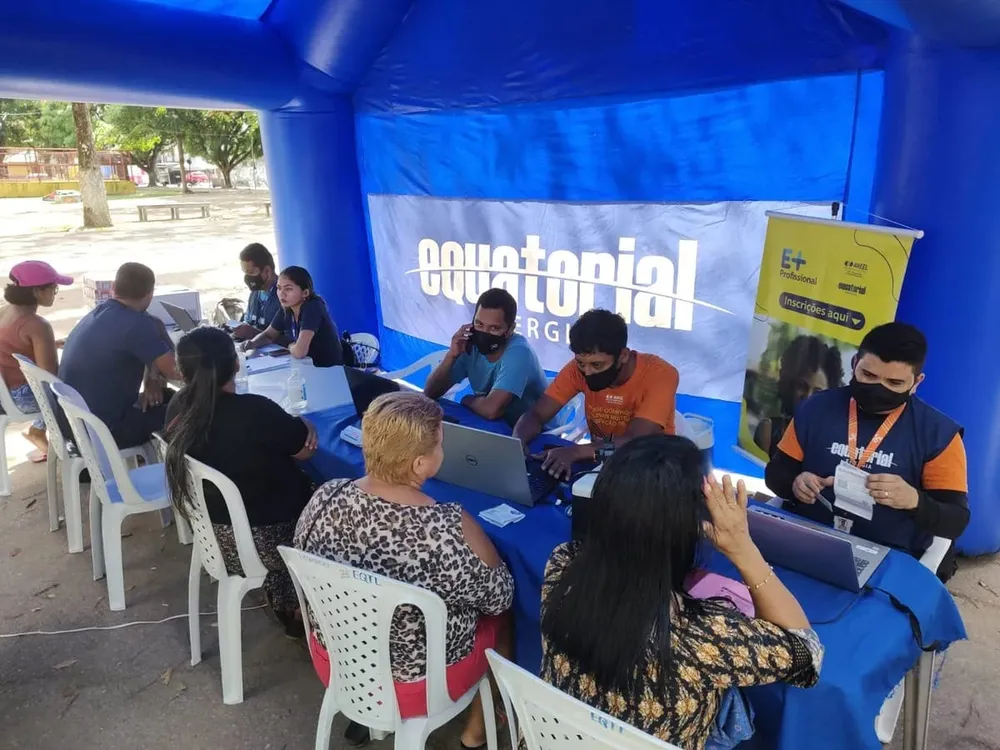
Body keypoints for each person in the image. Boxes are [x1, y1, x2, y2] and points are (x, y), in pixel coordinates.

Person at [540, 435, 823, 749]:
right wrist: (743, 548)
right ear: (692, 525)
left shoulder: (561, 566)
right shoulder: (703, 637)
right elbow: (808, 654)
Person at [295, 391, 514, 749]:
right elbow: (499, 597)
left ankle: (366, 719)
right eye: (440, 445)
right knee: (505, 617)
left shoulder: (327, 496)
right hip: (418, 685)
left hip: (336, 659)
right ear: (419, 465)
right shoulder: (448, 529)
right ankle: (476, 732)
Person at [764, 322, 969, 573]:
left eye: (894, 382)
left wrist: (914, 500)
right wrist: (795, 482)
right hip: (810, 538)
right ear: (854, 364)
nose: (879, 388)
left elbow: (955, 521)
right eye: (868, 376)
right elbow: (776, 475)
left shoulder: (939, 435)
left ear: (916, 382)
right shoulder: (815, 408)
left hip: (890, 556)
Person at [165, 327, 317, 636]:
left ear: (181, 369)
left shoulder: (177, 407)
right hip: (268, 542)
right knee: (330, 499)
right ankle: (307, 605)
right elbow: (304, 452)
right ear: (236, 364)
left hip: (213, 535)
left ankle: (290, 600)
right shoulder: (255, 411)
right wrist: (305, 424)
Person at [513, 308, 679, 479]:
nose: (588, 372)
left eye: (597, 365)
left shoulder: (660, 374)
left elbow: (635, 442)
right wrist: (517, 442)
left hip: (653, 470)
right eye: (581, 363)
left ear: (622, 355)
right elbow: (537, 414)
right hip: (603, 463)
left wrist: (576, 452)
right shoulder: (576, 370)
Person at [58, 262, 180, 448]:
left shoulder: (99, 312)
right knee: (190, 409)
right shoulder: (138, 325)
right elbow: (176, 372)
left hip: (73, 423)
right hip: (105, 431)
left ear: (114, 288)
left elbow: (143, 346)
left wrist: (152, 376)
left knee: (170, 397)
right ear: (150, 294)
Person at [423, 288, 547, 425]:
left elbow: (491, 410)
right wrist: (451, 356)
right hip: (495, 427)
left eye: (494, 328)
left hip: (536, 432)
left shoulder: (520, 352)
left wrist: (467, 399)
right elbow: (431, 392)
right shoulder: (469, 346)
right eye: (479, 324)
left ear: (510, 329)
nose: (484, 333)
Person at [0, 261, 74, 458]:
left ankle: (38, 431)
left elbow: (13, 345)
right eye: (53, 288)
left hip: (5, 389)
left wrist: (49, 344)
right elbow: (49, 378)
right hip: (23, 396)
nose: (55, 293)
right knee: (71, 386)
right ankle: (71, 443)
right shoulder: (37, 325)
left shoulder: (5, 310)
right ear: (36, 292)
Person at [754, 335, 844, 457]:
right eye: (802, 386)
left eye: (818, 392)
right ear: (790, 384)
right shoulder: (769, 431)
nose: (808, 396)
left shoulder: (834, 445)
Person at [244, 266, 344, 368]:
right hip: (306, 366)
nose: (281, 294)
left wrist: (291, 346)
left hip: (329, 370)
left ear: (305, 293)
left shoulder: (313, 307)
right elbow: (269, 335)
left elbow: (300, 352)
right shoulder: (287, 308)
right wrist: (252, 343)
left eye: (288, 289)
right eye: (279, 288)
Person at [231, 242, 281, 340]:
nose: (247, 278)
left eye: (250, 272)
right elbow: (247, 321)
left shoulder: (284, 296)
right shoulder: (255, 293)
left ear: (267, 271)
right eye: (245, 273)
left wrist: (256, 334)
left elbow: (291, 340)